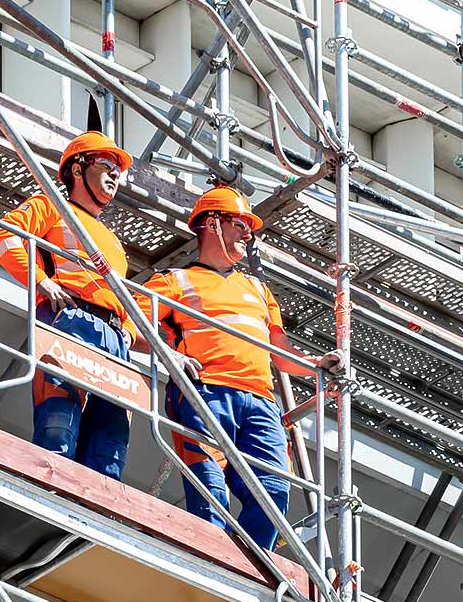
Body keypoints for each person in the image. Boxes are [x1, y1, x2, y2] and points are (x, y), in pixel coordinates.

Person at [142, 186, 339, 552]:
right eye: (240, 224)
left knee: (274, 492)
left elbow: (279, 353)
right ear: (211, 224)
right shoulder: (174, 280)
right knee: (210, 486)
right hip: (205, 393)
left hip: (261, 404)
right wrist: (171, 354)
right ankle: (212, 560)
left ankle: (248, 566)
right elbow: (133, 324)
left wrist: (316, 366)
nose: (249, 235)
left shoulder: (259, 290)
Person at [0, 132, 140, 478]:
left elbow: (123, 298)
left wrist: (128, 334)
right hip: (69, 318)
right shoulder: (50, 206)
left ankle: (101, 517)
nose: (115, 173)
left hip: (112, 336)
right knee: (60, 420)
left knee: (111, 436)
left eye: (118, 168)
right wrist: (41, 281)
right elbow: (0, 236)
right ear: (76, 168)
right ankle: (52, 493)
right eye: (106, 164)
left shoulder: (113, 241)